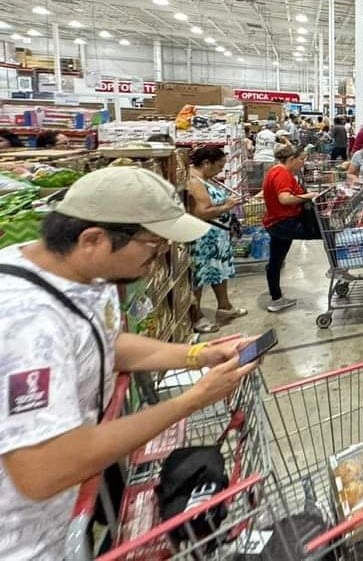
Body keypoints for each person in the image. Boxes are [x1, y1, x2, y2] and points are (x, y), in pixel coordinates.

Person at [0, 166, 258, 560]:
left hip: (60, 515)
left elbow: (107, 344)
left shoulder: (84, 278)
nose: (162, 256)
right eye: (153, 245)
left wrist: (198, 356)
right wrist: (191, 400)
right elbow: (43, 469)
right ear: (93, 239)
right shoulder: (25, 321)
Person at [184, 147, 247, 333]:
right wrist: (227, 206)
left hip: (217, 237)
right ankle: (196, 317)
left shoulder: (205, 178)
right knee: (200, 276)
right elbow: (201, 212)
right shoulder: (194, 181)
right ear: (206, 163)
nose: (220, 170)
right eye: (218, 166)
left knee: (219, 272)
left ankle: (224, 307)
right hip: (205, 238)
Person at [261, 145, 318, 313]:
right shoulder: (282, 173)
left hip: (275, 223)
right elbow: (284, 199)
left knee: (275, 262)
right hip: (284, 223)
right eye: (301, 159)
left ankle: (276, 299)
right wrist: (309, 196)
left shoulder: (274, 171)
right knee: (328, 236)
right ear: (291, 159)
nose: (303, 163)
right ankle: (339, 269)